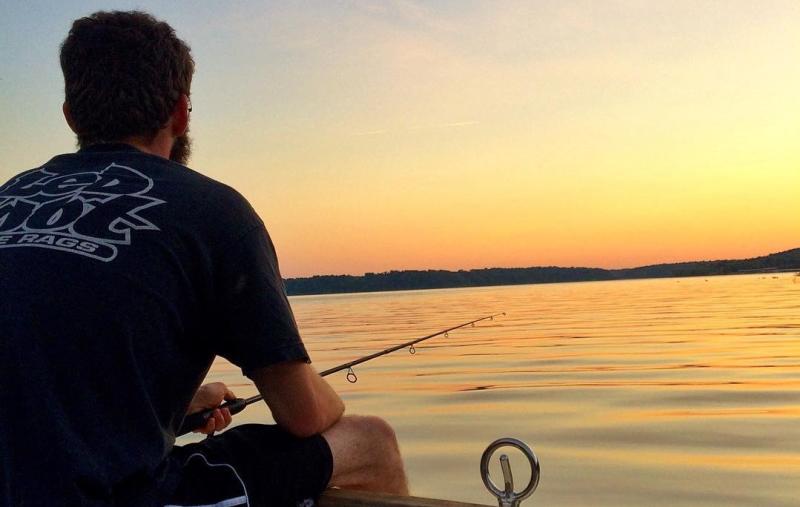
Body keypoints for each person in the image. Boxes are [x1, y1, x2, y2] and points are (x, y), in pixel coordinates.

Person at [0, 10, 407, 507]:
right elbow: (303, 414)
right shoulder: (210, 210)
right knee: (371, 442)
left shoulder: (10, 196)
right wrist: (334, 402)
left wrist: (180, 409)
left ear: (70, 114)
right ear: (181, 112)